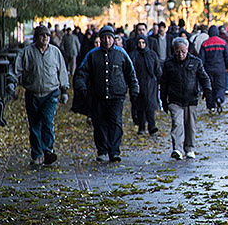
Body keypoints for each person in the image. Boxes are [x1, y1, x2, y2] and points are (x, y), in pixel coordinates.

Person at [74, 25, 139, 163]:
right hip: (98, 95)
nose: (107, 41)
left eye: (110, 38)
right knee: (99, 124)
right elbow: (81, 73)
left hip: (117, 95)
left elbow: (130, 73)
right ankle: (102, 151)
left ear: (114, 39)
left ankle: (114, 151)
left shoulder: (121, 54)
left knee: (116, 123)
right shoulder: (92, 55)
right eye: (104, 38)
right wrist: (82, 87)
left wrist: (134, 89)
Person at [14, 25, 70, 165]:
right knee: (34, 124)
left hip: (50, 93)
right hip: (32, 93)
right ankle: (37, 153)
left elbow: (62, 71)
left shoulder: (55, 52)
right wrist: (11, 82)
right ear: (36, 37)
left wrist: (64, 90)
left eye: (47, 35)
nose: (45, 37)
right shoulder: (27, 52)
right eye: (42, 35)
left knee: (47, 121)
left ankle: (48, 150)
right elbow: (16, 69)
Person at [160, 37, 212, 160]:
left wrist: (207, 91)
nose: (181, 54)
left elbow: (204, 78)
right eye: (178, 51)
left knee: (190, 125)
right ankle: (177, 149)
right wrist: (163, 100)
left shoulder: (196, 62)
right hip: (174, 98)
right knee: (177, 124)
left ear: (187, 50)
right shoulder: (168, 64)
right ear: (174, 50)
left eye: (183, 51)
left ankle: (190, 148)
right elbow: (164, 83)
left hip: (191, 98)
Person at [129, 35, 162, 135]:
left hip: (150, 83)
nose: (141, 45)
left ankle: (152, 126)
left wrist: (160, 80)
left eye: (143, 42)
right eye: (139, 43)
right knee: (140, 107)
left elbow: (157, 69)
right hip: (138, 83)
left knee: (150, 106)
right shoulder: (134, 55)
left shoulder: (152, 55)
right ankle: (141, 127)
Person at [200, 25, 228, 113]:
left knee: (210, 87)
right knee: (220, 86)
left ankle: (211, 106)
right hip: (220, 69)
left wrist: (201, 69)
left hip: (208, 69)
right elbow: (227, 56)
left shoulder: (205, 43)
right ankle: (219, 98)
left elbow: (201, 59)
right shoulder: (223, 42)